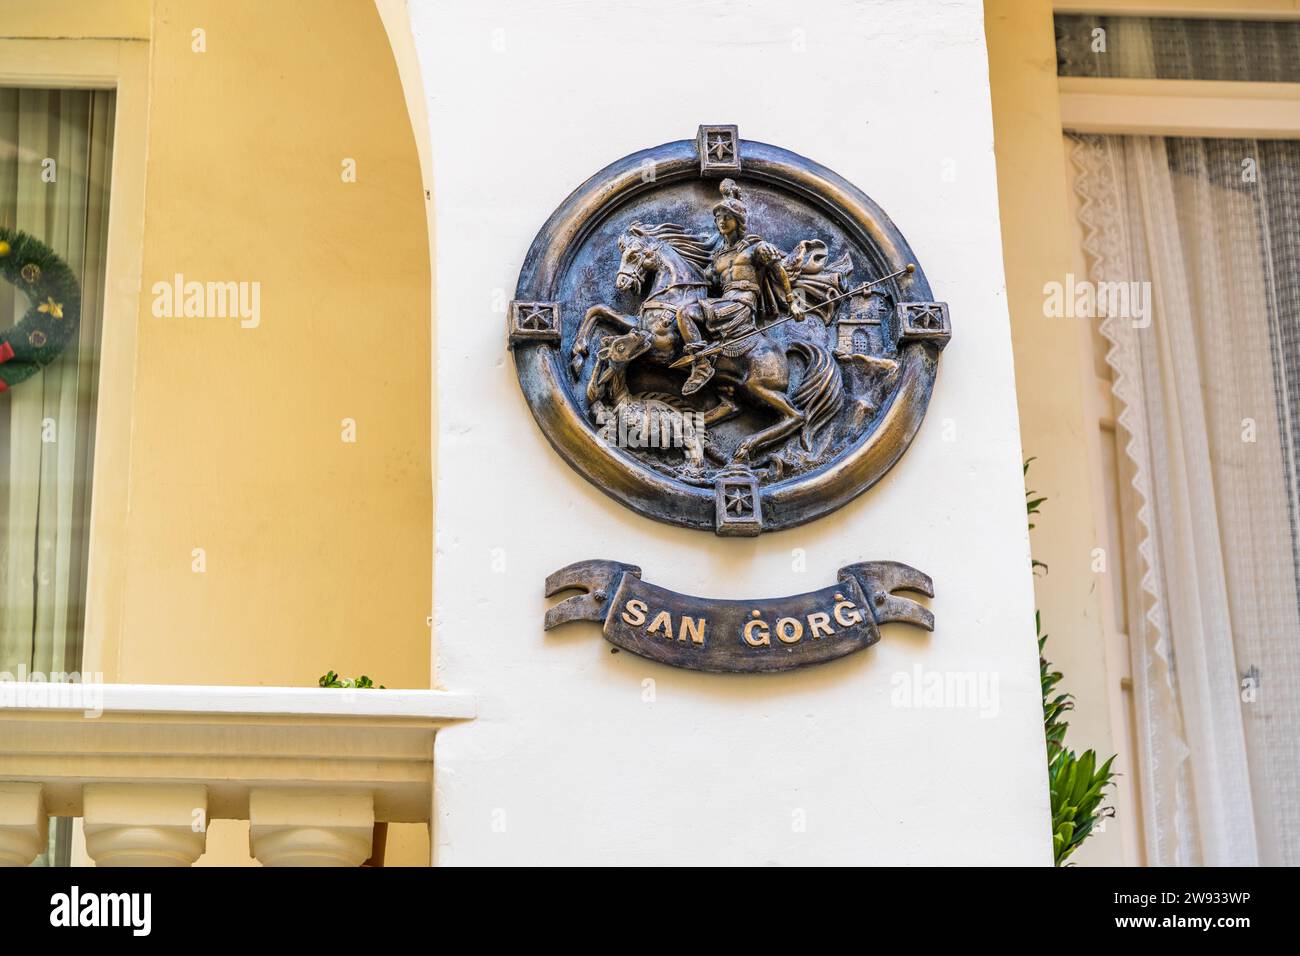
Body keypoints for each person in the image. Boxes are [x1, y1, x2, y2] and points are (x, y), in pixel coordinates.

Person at [677, 179, 804, 396]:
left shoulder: (756, 248)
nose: (722, 221)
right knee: (683, 314)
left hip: (742, 304)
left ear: (738, 220)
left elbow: (779, 270)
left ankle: (701, 366)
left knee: (686, 313)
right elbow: (706, 282)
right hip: (725, 300)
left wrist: (792, 303)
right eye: (718, 218)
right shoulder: (717, 257)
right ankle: (703, 361)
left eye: (727, 217)